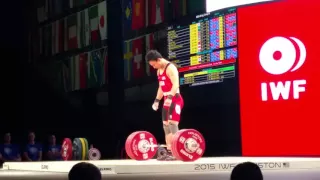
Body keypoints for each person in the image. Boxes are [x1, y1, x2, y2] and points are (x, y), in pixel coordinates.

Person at [146, 50, 184, 161]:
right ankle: (170, 152)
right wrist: (157, 100)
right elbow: (161, 87)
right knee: (166, 126)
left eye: (153, 64)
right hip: (167, 99)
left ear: (158, 60)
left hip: (175, 98)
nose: (153, 67)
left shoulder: (171, 68)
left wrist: (170, 98)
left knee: (173, 125)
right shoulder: (159, 70)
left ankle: (178, 151)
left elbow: (176, 84)